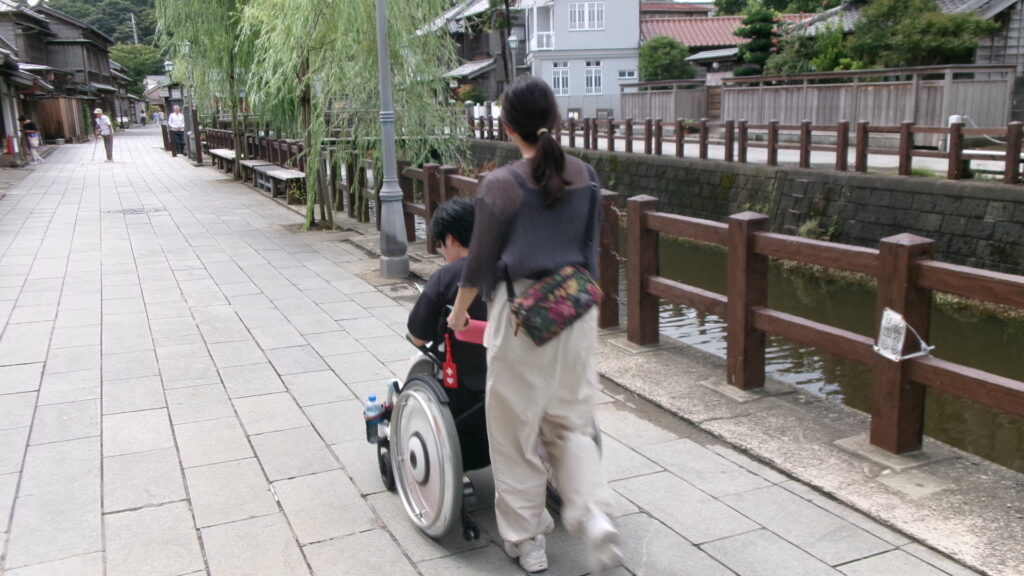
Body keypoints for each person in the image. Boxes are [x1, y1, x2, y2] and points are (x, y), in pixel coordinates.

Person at [446, 76, 620, 573]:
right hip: (574, 312)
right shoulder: (586, 175)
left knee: (514, 432)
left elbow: (478, 264)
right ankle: (591, 514)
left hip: (522, 316)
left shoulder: (501, 184)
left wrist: (459, 313)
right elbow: (590, 252)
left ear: (505, 126)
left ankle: (528, 541)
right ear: (557, 118)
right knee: (571, 424)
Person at [406, 198, 490, 468]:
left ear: (451, 239)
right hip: (509, 376)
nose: (442, 251)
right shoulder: (508, 269)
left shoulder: (444, 278)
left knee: (417, 367)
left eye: (441, 244)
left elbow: (418, 337)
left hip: (462, 394)